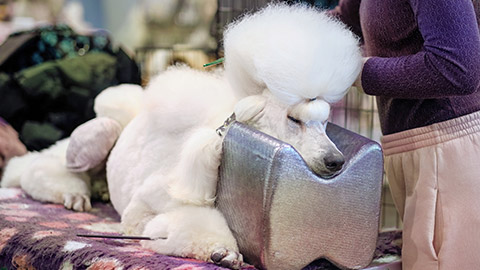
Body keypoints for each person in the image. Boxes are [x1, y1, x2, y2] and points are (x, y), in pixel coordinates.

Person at [330, 0, 480, 269]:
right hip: (414, 150)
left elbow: (456, 68)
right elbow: (347, 20)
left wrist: (353, 71)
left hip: (451, 153)